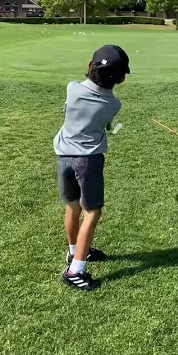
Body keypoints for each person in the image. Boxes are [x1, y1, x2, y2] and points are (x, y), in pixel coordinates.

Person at [53, 45, 130, 291]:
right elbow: (105, 123)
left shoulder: (72, 88)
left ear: (89, 65)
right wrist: (108, 126)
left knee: (72, 206)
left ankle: (75, 251)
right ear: (121, 78)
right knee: (92, 213)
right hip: (88, 161)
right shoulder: (113, 105)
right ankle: (75, 270)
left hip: (63, 156)